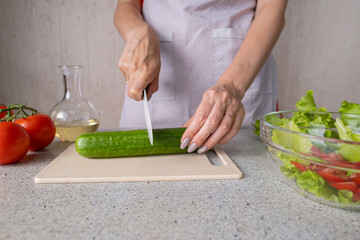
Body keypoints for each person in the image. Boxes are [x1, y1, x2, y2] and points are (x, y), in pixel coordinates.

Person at [114, 0, 287, 154]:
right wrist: (138, 32)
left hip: (242, 72)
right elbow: (126, 5)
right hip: (157, 85)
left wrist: (232, 87)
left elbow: (271, 7)